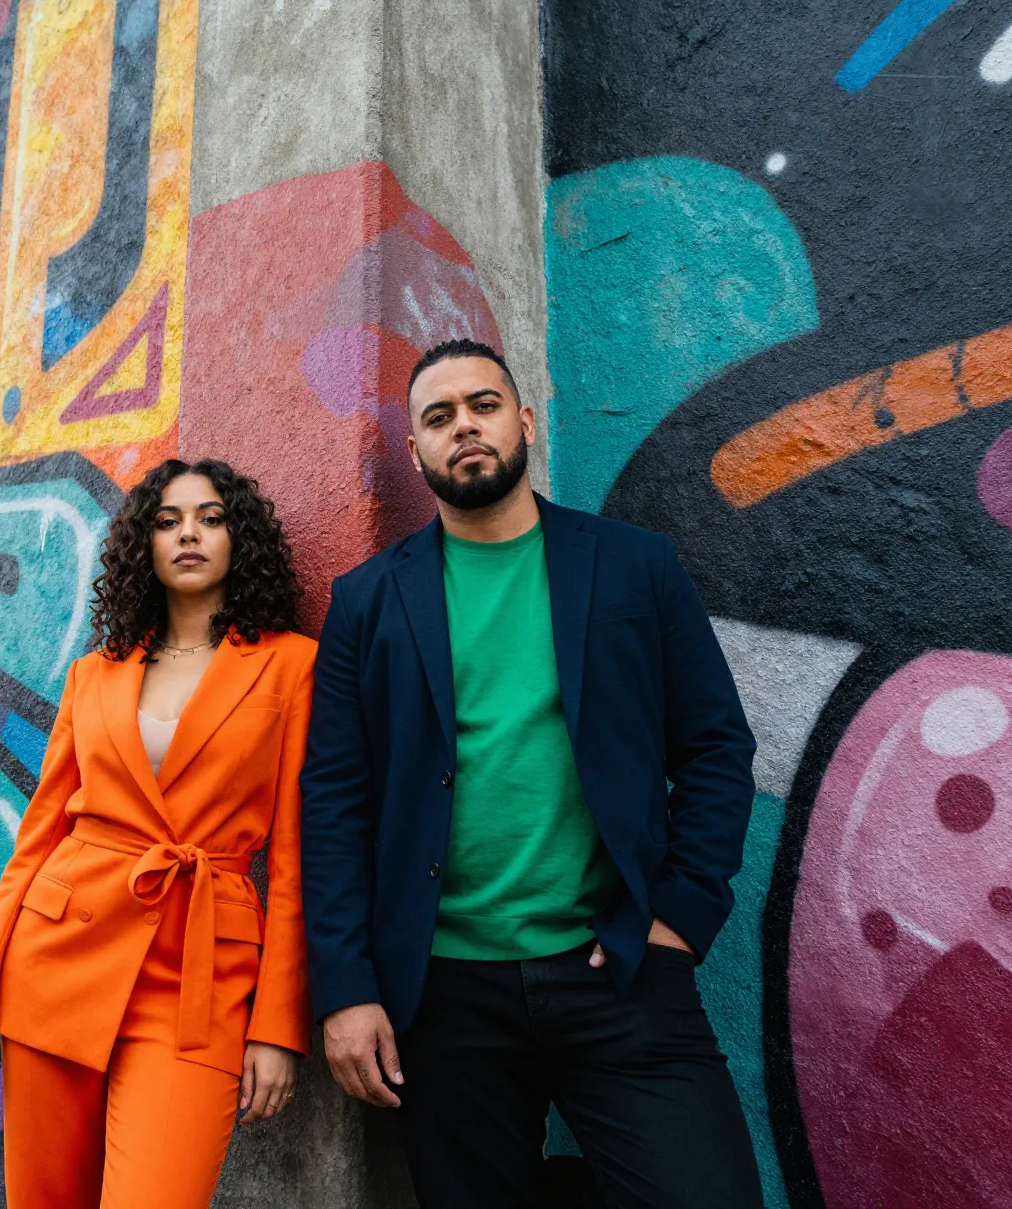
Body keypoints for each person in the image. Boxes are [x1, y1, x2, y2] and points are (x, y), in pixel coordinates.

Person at [300, 340, 764, 1208]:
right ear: (416, 454)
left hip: (620, 971)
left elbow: (714, 748)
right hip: (441, 999)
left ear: (525, 421)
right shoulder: (366, 600)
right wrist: (346, 990)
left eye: (482, 405)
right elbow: (333, 803)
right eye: (437, 418)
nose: (463, 426)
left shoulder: (634, 564)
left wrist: (678, 919)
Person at [0, 458, 316, 1209]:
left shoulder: (291, 667)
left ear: (239, 540)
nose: (189, 534)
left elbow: (294, 862)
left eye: (211, 518)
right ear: (142, 545)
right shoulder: (96, 673)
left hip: (198, 980)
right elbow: (40, 836)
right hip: (57, 963)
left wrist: (278, 1027)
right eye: (168, 520)